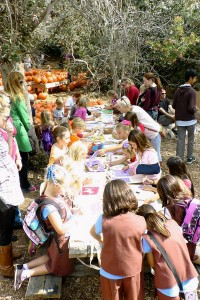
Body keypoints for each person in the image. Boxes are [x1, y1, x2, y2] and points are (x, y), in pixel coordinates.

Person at [14, 164, 74, 290]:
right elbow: (61, 229)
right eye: (64, 187)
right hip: (60, 242)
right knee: (53, 265)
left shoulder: (49, 193)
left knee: (50, 256)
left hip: (55, 241)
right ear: (56, 185)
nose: (65, 190)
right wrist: (76, 220)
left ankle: (23, 267)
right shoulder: (49, 208)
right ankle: (24, 274)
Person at [90, 179, 146, 300]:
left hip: (109, 270)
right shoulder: (140, 220)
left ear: (107, 200)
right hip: (133, 269)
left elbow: (93, 232)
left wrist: (102, 241)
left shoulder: (103, 219)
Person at [137, 204, 199, 300]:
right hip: (189, 278)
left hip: (168, 285)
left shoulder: (147, 238)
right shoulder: (173, 224)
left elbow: (152, 264)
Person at [0, 97, 24, 278]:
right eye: (4, 118)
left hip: (7, 183)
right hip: (2, 188)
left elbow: (7, 154)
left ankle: (7, 252)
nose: (7, 121)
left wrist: (9, 137)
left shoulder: (2, 132)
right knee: (4, 226)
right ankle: (5, 266)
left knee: (7, 225)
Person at [5, 71, 36, 192]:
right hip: (18, 128)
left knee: (11, 156)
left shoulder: (5, 94)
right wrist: (28, 128)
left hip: (7, 128)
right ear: (17, 83)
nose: (23, 84)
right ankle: (24, 184)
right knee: (23, 157)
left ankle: (16, 183)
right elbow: (24, 116)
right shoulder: (17, 96)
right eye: (22, 82)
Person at [157, 175, 198, 263]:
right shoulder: (188, 198)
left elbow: (170, 231)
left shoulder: (169, 209)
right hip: (195, 236)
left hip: (185, 243)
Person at [114, 97, 162, 163]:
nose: (118, 109)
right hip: (146, 135)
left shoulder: (134, 113)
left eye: (119, 107)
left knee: (156, 156)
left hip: (153, 134)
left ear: (124, 106)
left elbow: (130, 131)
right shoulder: (130, 112)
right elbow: (125, 126)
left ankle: (158, 169)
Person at [172, 69, 198, 164]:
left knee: (180, 140)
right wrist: (196, 109)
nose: (195, 80)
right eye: (195, 78)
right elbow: (191, 108)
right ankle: (189, 158)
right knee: (190, 139)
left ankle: (179, 160)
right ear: (190, 78)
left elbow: (174, 105)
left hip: (180, 120)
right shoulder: (191, 91)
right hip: (190, 120)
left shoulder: (178, 90)